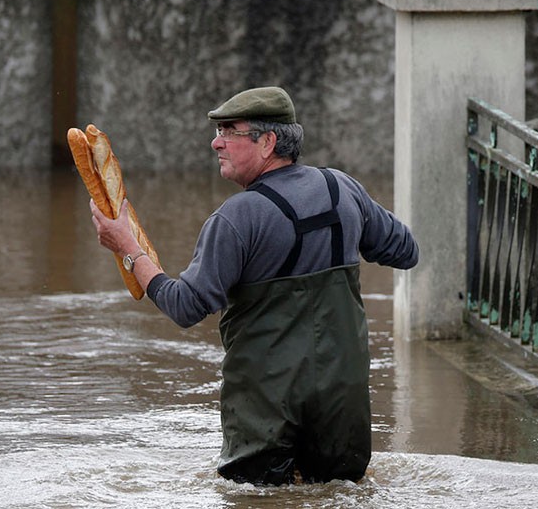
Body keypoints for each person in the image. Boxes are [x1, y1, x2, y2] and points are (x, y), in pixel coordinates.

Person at [90, 86, 418, 485]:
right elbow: (406, 251)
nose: (216, 142)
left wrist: (128, 250)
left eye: (229, 131)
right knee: (338, 494)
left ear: (268, 142)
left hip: (266, 411)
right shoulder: (342, 189)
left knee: (256, 499)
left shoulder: (236, 218)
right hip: (342, 403)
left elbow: (185, 307)